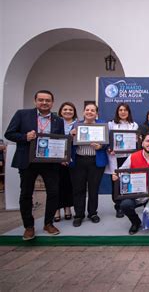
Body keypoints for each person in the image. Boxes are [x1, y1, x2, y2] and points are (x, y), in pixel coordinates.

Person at [4, 90, 64, 240]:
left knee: (53, 193)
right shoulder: (22, 114)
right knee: (26, 194)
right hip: (27, 161)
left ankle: (48, 223)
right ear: (35, 101)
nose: (44, 103)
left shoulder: (58, 120)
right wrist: (25, 137)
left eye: (48, 100)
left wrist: (63, 155)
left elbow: (61, 140)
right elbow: (9, 134)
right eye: (41, 100)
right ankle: (28, 226)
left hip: (50, 163)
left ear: (52, 102)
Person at [112, 133, 149, 234]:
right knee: (125, 205)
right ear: (142, 143)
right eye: (147, 141)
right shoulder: (133, 156)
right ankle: (136, 222)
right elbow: (122, 170)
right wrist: (117, 175)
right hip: (137, 194)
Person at [69, 103, 108, 227]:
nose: (90, 112)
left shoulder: (102, 125)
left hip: (95, 161)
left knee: (93, 188)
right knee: (78, 189)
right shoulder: (76, 125)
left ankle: (92, 213)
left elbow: (108, 142)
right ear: (83, 111)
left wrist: (101, 146)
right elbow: (69, 143)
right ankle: (79, 215)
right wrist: (71, 136)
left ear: (97, 113)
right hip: (79, 160)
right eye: (87, 110)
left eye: (93, 110)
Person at [105, 103, 139, 218]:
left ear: (128, 112)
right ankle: (118, 206)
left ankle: (127, 204)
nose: (123, 112)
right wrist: (109, 148)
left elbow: (136, 142)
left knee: (127, 181)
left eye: (125, 110)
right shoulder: (111, 124)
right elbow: (106, 140)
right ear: (117, 112)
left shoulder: (134, 125)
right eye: (120, 110)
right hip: (115, 158)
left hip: (129, 157)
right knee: (115, 182)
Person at [54, 101, 77, 222]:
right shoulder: (55, 122)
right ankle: (56, 209)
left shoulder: (78, 124)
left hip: (73, 159)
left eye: (70, 110)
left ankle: (68, 208)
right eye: (65, 109)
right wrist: (61, 158)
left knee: (69, 184)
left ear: (74, 112)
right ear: (60, 111)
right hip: (57, 159)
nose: (68, 111)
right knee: (56, 185)